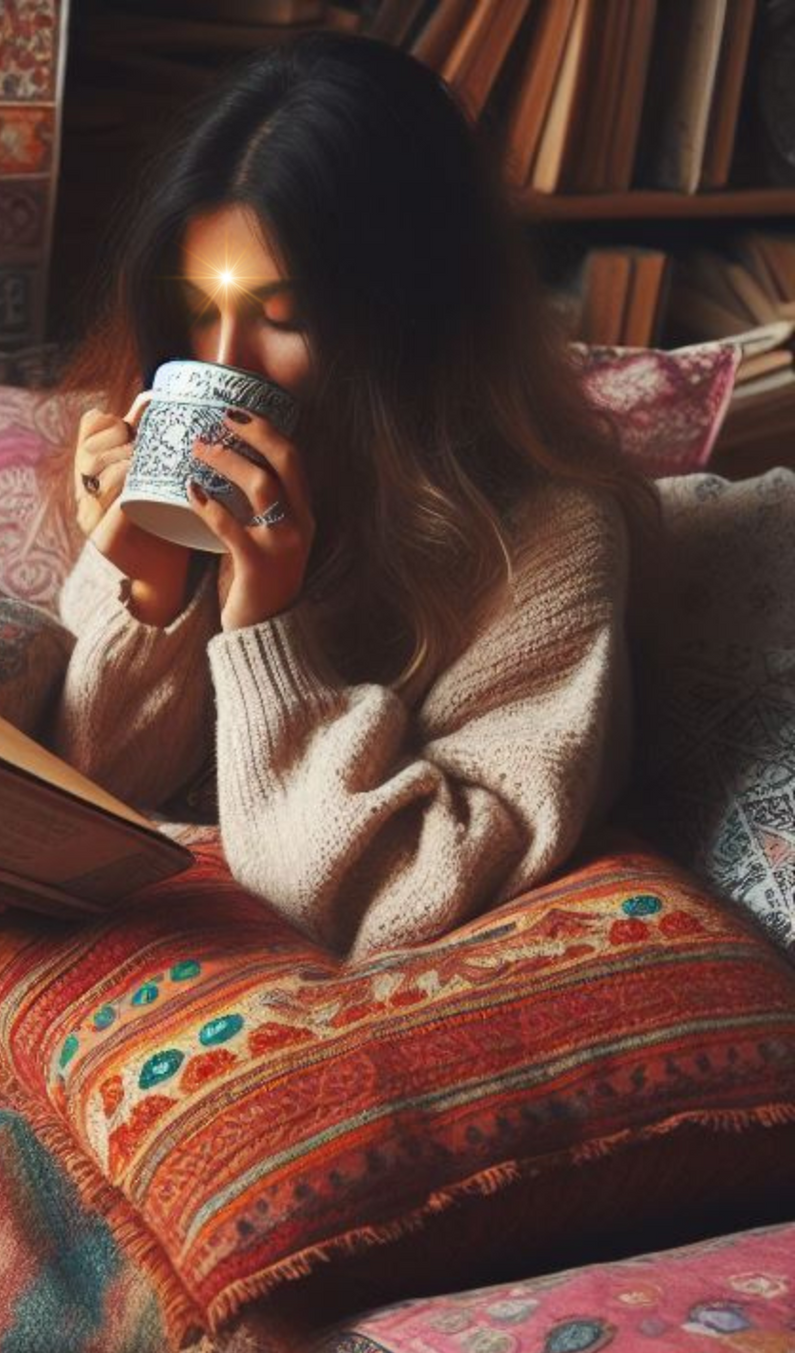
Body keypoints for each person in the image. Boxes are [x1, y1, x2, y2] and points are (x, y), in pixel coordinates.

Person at [55, 31, 661, 959]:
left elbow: (396, 899)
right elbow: (91, 789)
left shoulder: (548, 542)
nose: (221, 364)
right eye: (197, 308)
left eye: (283, 319)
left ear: (406, 329)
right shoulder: (157, 458)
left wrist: (266, 632)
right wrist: (149, 597)